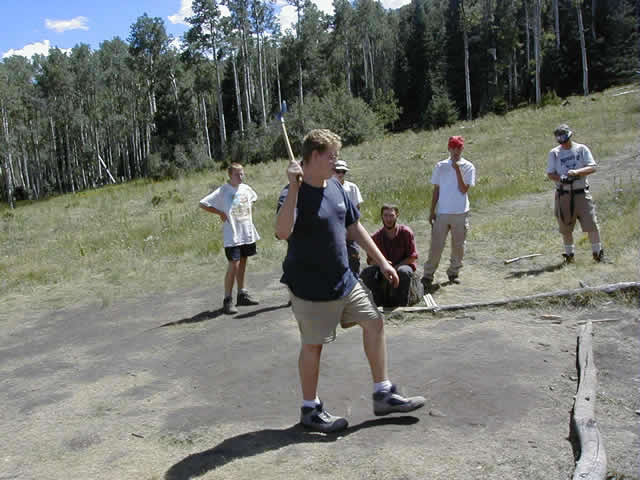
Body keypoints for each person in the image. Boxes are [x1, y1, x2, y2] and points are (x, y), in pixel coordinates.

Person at [276, 129, 425, 433]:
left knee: (374, 322)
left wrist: (382, 261)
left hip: (344, 280)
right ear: (314, 156)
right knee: (313, 346)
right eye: (331, 156)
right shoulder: (292, 192)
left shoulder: (336, 187)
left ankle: (383, 394)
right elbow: (282, 232)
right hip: (310, 288)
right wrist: (293, 188)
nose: (336, 161)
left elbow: (355, 228)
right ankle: (310, 409)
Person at [199, 163, 261, 314]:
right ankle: (227, 300)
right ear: (230, 175)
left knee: (243, 261)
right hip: (232, 234)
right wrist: (220, 213)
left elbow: (253, 198)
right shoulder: (223, 190)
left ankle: (242, 294)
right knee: (234, 264)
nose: (240, 177)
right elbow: (203, 203)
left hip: (246, 232)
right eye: (237, 174)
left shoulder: (246, 188)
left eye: (242, 174)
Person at [421, 136, 476, 292]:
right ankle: (428, 275)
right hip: (442, 212)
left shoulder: (468, 166)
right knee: (436, 245)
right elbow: (436, 189)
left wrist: (457, 169)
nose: (456, 151)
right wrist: (432, 211)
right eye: (453, 147)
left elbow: (464, 189)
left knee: (458, 246)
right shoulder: (440, 166)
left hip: (460, 212)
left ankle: (453, 273)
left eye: (459, 148)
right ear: (449, 148)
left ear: (462, 148)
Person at [546, 123, 604, 263]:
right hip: (564, 194)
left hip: (582, 193)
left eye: (564, 137)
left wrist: (576, 172)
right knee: (565, 227)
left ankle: (597, 254)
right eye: (559, 138)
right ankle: (569, 256)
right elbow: (550, 173)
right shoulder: (554, 153)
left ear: (569, 135)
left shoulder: (581, 149)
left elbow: (592, 167)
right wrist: (562, 178)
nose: (563, 141)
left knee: (591, 224)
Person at [360, 204, 422, 307]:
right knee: (367, 272)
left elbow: (412, 257)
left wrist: (395, 267)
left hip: (402, 266)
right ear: (381, 216)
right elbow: (370, 261)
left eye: (391, 215)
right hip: (383, 268)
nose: (388, 219)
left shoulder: (406, 232)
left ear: (397, 215)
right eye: (385, 215)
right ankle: (377, 304)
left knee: (403, 271)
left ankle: (402, 305)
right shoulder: (376, 236)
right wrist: (383, 265)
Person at [333, 159, 364, 276]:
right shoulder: (327, 187)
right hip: (335, 231)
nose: (340, 174)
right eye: (338, 171)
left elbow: (357, 209)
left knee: (353, 258)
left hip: (350, 230)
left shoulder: (352, 187)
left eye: (343, 171)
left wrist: (353, 229)